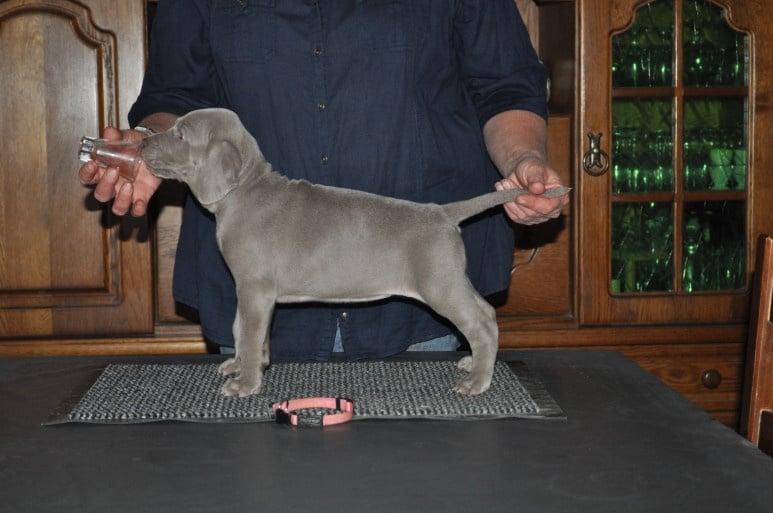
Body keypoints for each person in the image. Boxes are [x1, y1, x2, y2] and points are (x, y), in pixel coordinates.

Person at [79, 0, 569, 360]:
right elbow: (174, 92)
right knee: (256, 471)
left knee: (422, 467)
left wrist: (523, 158)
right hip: (259, 299)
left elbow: (504, 83)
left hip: (417, 303)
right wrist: (152, 144)